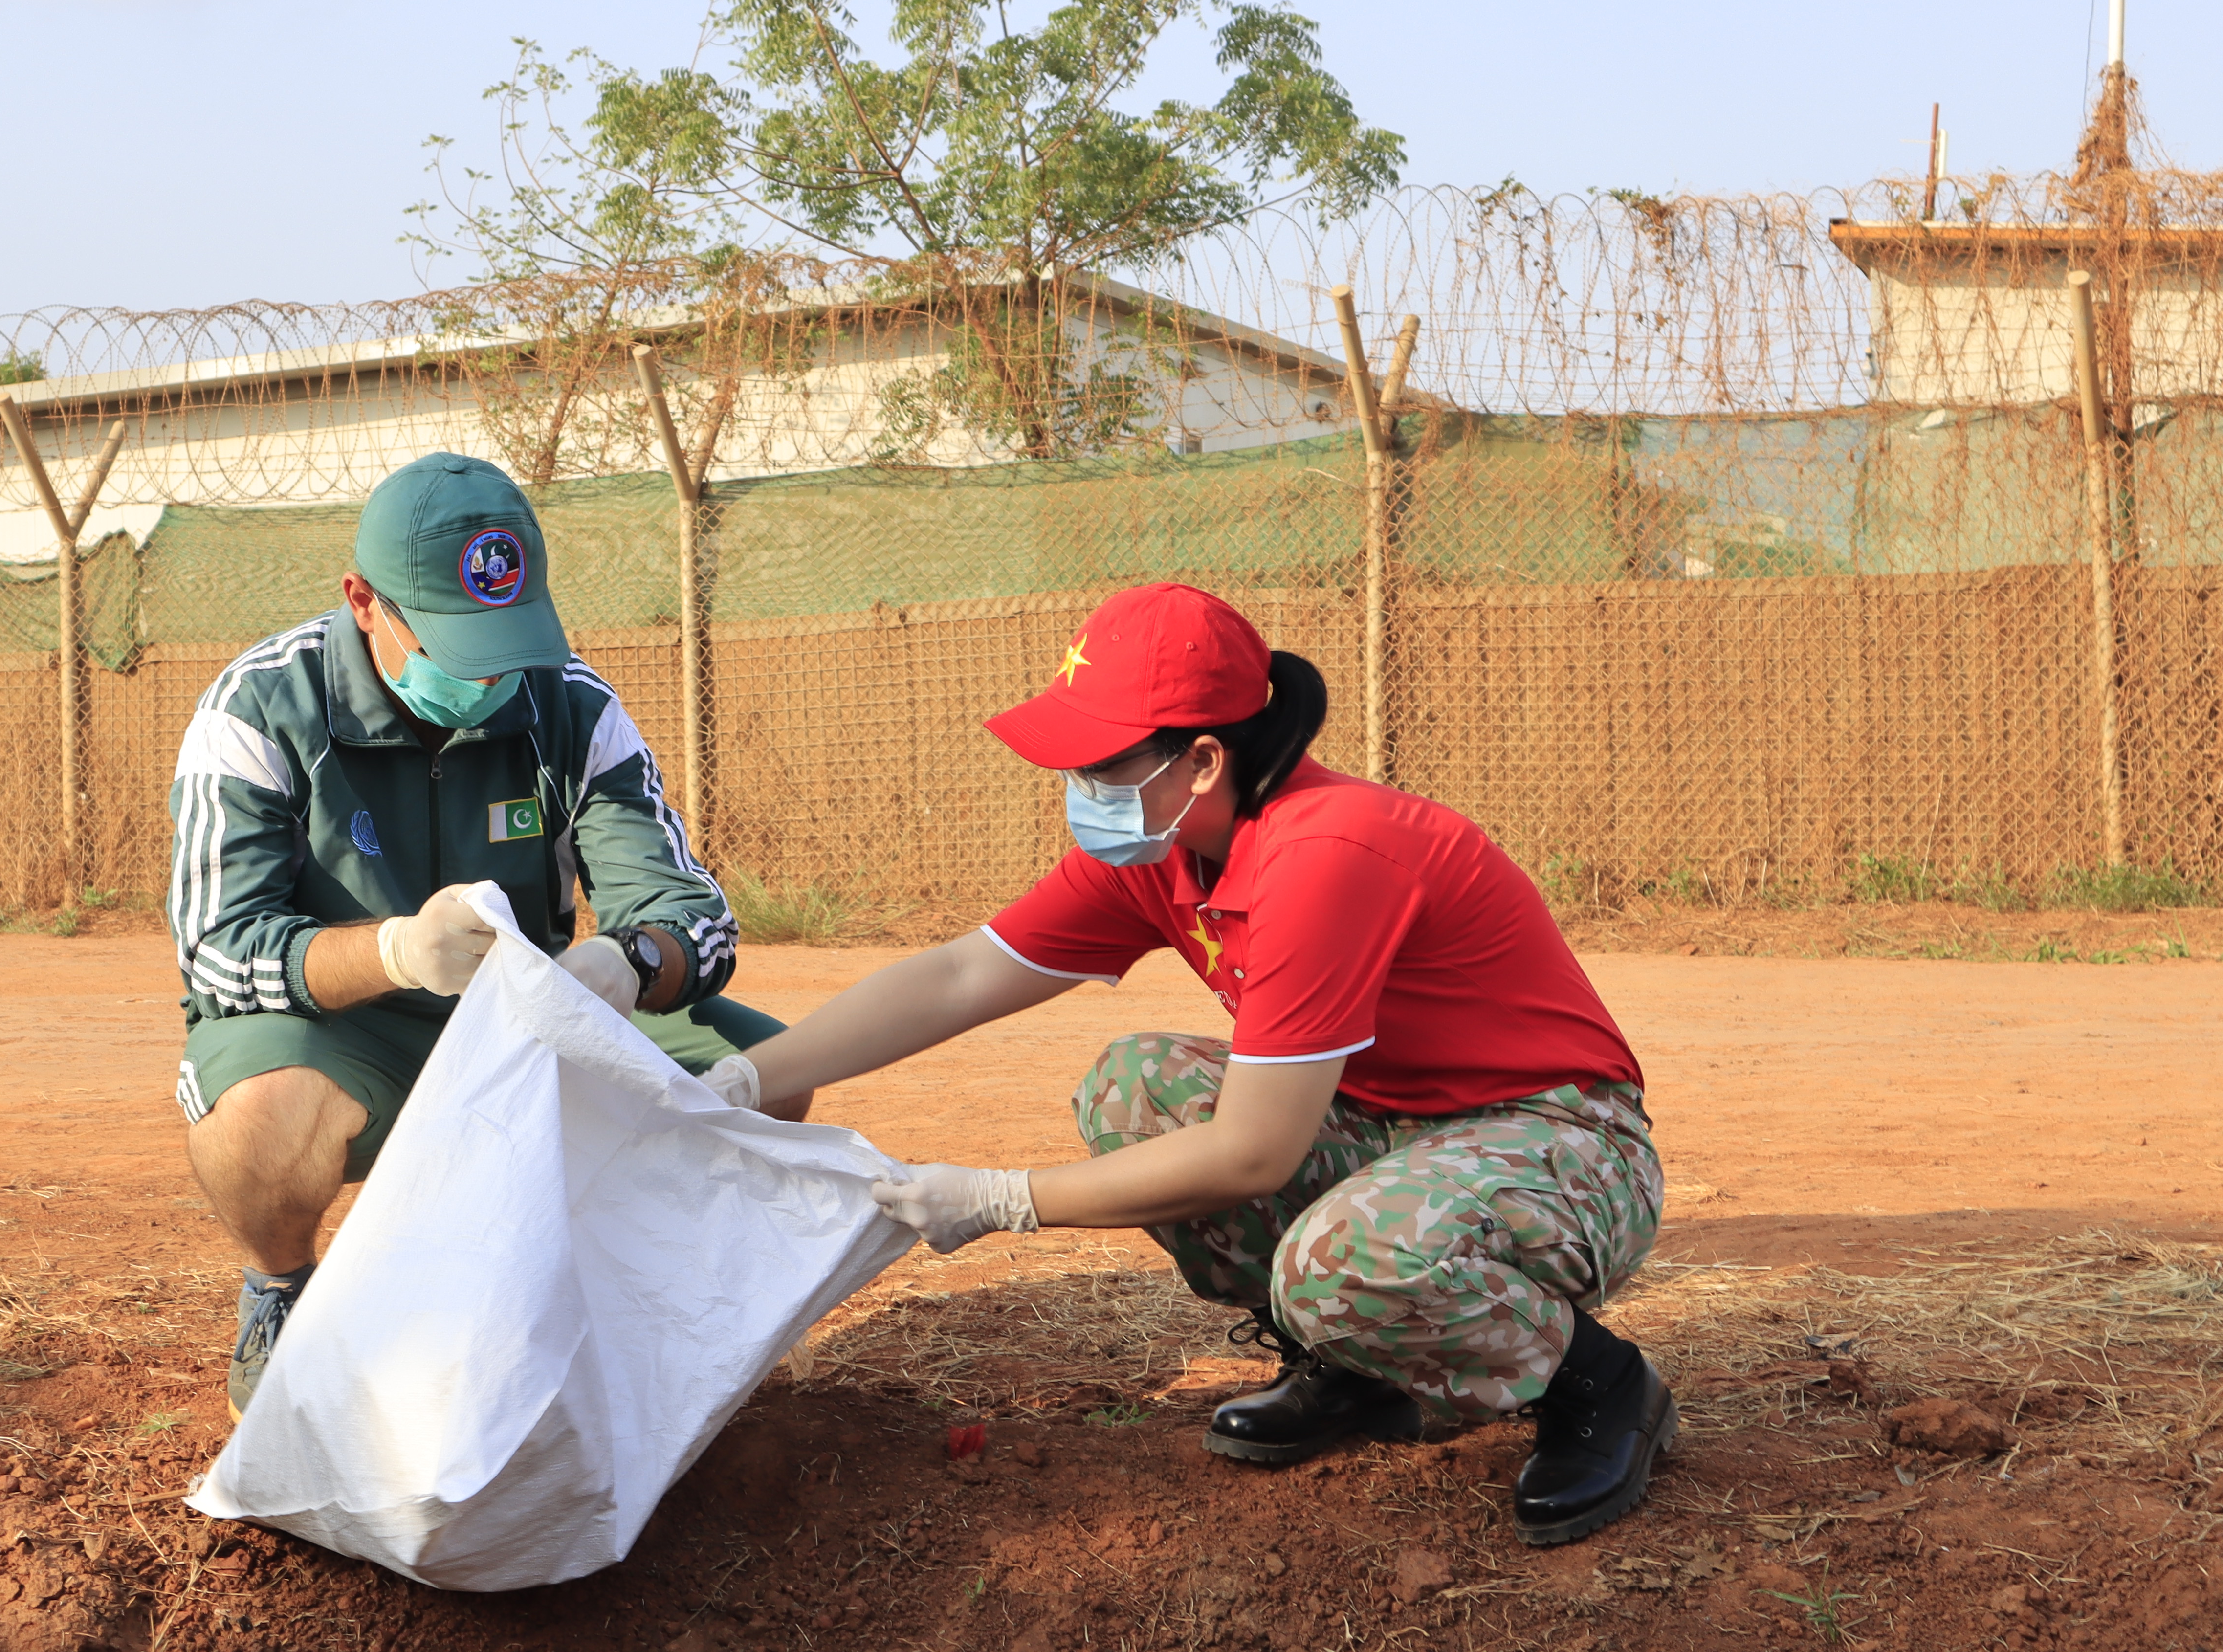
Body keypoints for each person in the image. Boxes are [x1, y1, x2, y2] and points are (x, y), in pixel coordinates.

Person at [708, 583, 1673, 1545]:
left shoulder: (1324, 854)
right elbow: (962, 973)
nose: (1080, 785)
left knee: (1344, 1264)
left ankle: (1598, 1382)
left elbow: (1255, 1150)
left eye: (1100, 762)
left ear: (1203, 759)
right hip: (1386, 1124)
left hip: (1558, 1137)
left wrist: (1005, 1197)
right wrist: (752, 1076)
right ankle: (1351, 1365)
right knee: (1140, 1086)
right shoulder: (1160, 851)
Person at [167, 452, 808, 1419]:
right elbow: (219, 948)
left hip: (528, 1021)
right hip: (349, 1032)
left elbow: (698, 922)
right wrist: (391, 951)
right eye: (457, 644)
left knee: (773, 1079)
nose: (489, 675)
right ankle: (284, 1292)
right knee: (259, 1126)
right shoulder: (260, 708)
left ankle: (615, 1299)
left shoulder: (569, 702)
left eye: (506, 640)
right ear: (364, 601)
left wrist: (630, 962)